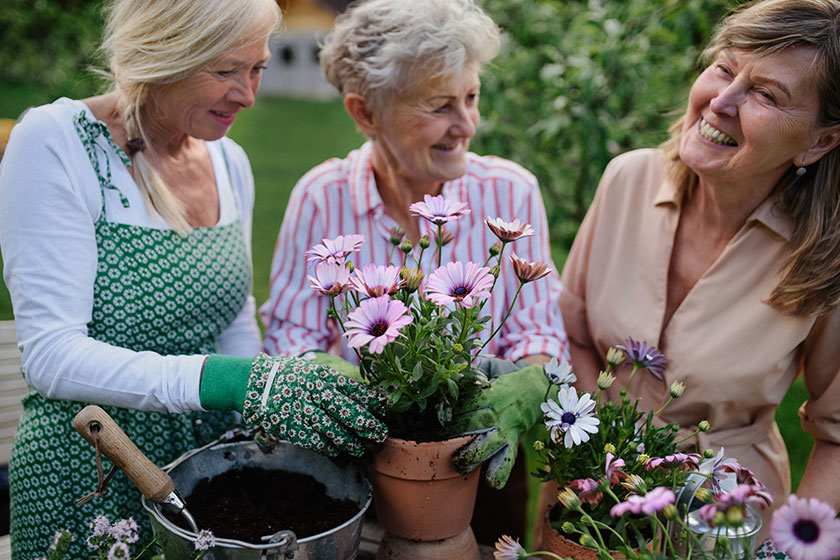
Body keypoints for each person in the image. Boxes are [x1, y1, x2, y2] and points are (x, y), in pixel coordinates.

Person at [0, 1, 387, 558]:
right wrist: (234, 382)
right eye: (226, 70)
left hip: (204, 479)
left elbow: (231, 323)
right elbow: (51, 355)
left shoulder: (228, 163)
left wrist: (265, 405)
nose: (248, 95)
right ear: (163, 54)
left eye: (257, 68)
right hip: (89, 475)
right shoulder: (57, 143)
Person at [260, 0, 569, 542]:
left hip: (481, 458)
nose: (467, 125)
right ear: (364, 113)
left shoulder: (510, 190)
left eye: (471, 98)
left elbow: (537, 327)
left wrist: (524, 385)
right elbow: (291, 333)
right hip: (357, 460)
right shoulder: (321, 196)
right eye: (440, 106)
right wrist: (337, 382)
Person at [556, 0, 840, 539]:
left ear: (820, 141)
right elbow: (571, 334)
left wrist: (786, 545)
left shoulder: (826, 258)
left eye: (766, 95)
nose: (721, 102)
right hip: (588, 497)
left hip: (721, 522)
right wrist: (601, 460)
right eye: (724, 68)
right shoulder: (628, 179)